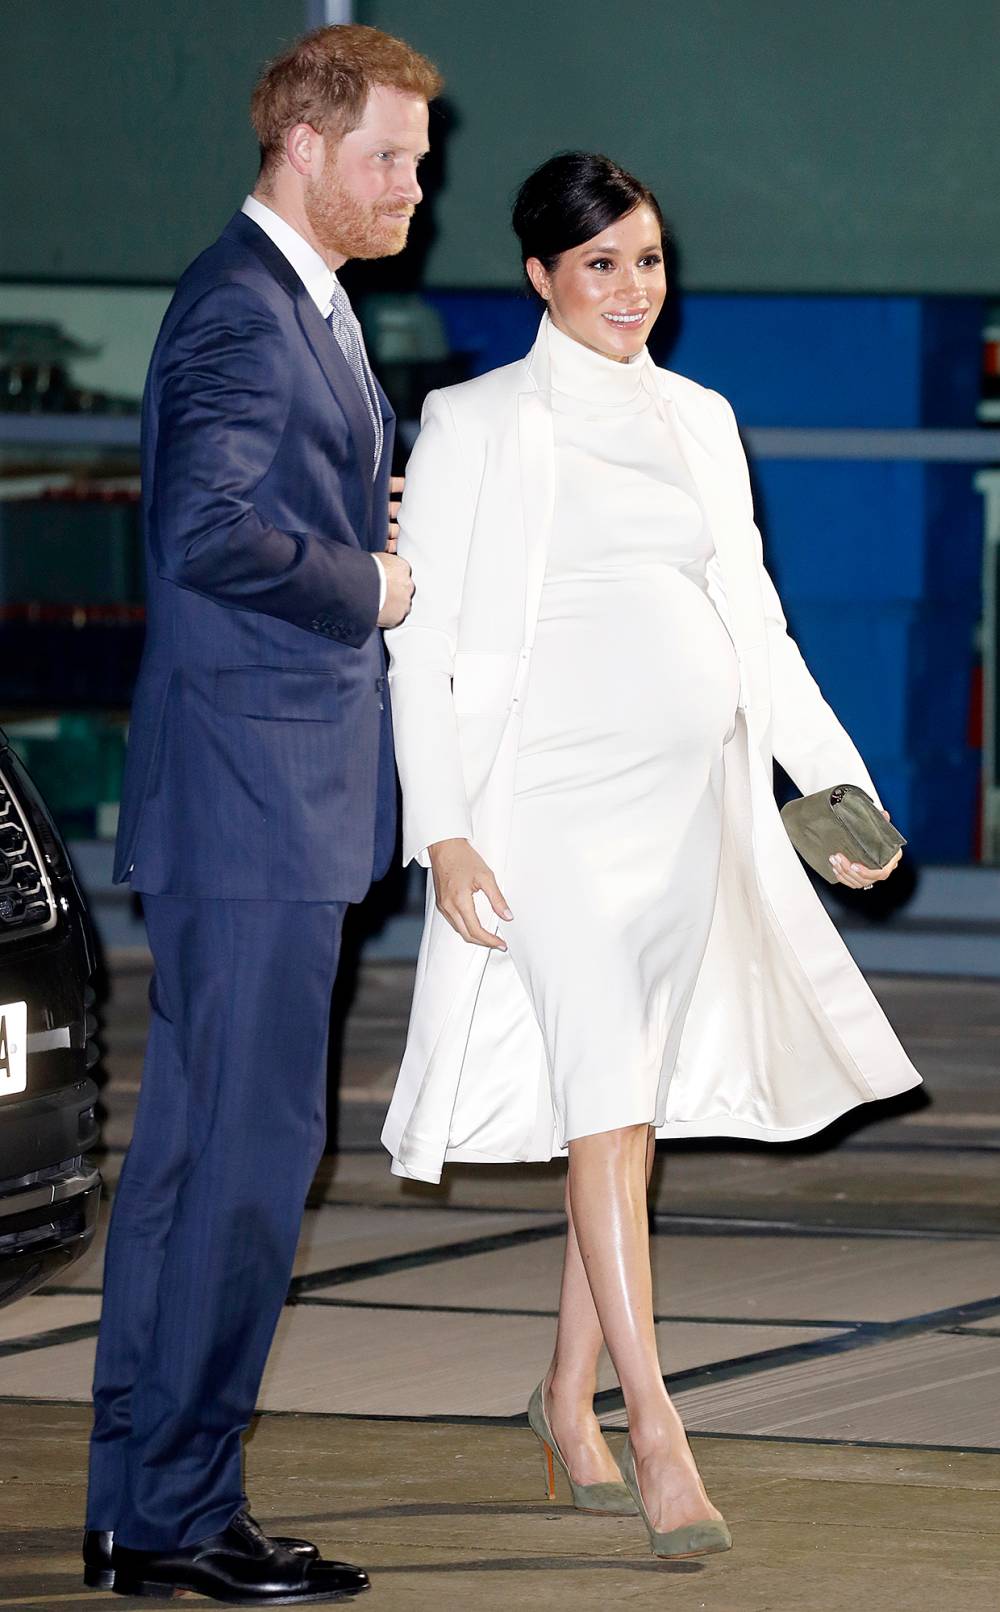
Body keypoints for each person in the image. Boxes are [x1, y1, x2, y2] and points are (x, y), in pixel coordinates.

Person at [381, 151, 921, 1561]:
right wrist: (437, 825)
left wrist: (839, 787)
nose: (634, 288)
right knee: (607, 1098)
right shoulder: (474, 419)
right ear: (542, 278)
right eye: (604, 263)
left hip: (687, 808)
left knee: (615, 1123)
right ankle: (657, 1425)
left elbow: (756, 625)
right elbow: (420, 644)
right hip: (543, 812)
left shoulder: (700, 419)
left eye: (651, 259)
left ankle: (565, 1398)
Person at [84, 25, 440, 1604]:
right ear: (301, 142)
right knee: (245, 1158)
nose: (415, 189)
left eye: (419, 165)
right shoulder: (245, 305)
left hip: (254, 792)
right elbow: (211, 528)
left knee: (186, 1166)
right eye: (391, 159)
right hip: (252, 795)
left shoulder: (299, 305)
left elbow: (254, 503)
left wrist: (360, 515)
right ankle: (181, 1515)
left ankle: (137, 1500)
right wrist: (368, 580)